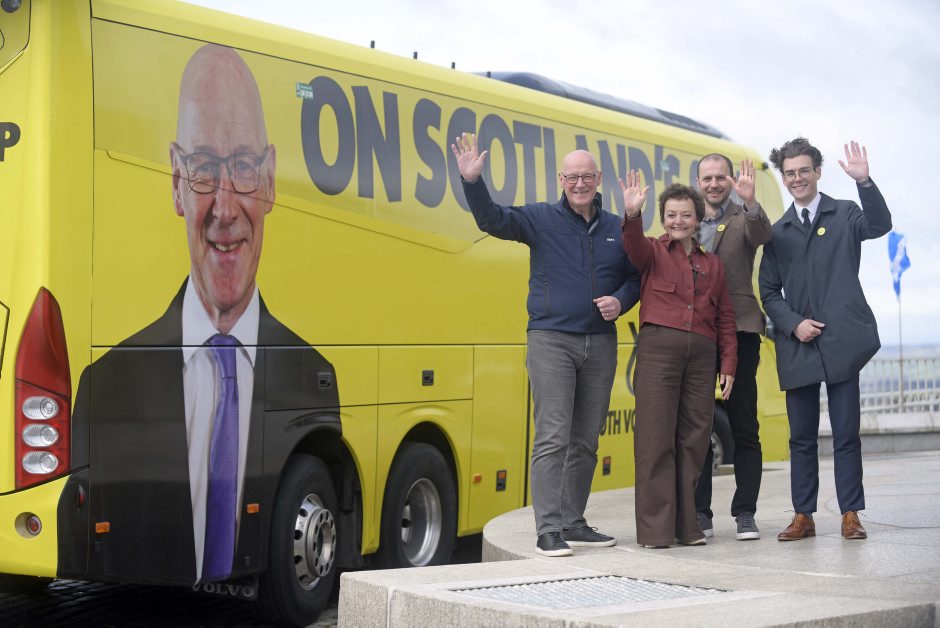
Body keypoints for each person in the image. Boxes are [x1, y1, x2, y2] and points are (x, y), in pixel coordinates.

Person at [56, 44, 338, 585]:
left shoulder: (315, 375)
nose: (225, 208)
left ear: (270, 180)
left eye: (244, 168)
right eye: (205, 170)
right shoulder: (106, 385)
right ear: (176, 184)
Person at [451, 133, 641, 557]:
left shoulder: (617, 228)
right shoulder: (540, 218)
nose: (579, 184)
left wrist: (621, 301)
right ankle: (549, 529)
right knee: (553, 436)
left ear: (598, 179)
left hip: (600, 343)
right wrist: (473, 182)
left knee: (586, 440)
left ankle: (573, 522)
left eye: (586, 176)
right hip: (552, 340)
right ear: (561, 180)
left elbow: (636, 276)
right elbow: (492, 220)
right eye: (572, 177)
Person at [759, 138, 890, 542]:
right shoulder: (778, 232)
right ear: (784, 178)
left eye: (804, 170)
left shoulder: (845, 213)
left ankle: (851, 513)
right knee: (801, 437)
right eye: (790, 173)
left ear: (817, 172)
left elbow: (879, 225)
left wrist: (864, 182)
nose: (797, 178)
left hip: (841, 343)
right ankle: (803, 515)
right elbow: (768, 292)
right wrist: (794, 323)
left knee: (846, 434)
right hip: (798, 344)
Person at [619, 175, 737, 548]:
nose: (678, 221)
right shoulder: (652, 251)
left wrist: (728, 365)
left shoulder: (713, 265)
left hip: (701, 359)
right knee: (655, 439)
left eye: (685, 215)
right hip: (659, 354)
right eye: (671, 215)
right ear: (663, 218)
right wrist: (632, 214)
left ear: (697, 218)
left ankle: (688, 526)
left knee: (694, 441)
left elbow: (725, 319)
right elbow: (632, 245)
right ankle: (656, 531)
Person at [693, 155, 772, 541]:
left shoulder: (744, 217)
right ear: (698, 182)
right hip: (697, 332)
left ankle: (745, 513)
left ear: (730, 181)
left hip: (740, 329)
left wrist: (751, 201)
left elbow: (762, 235)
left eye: (720, 177)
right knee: (698, 427)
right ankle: (699, 514)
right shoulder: (686, 221)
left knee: (743, 425)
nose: (714, 184)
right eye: (707, 178)